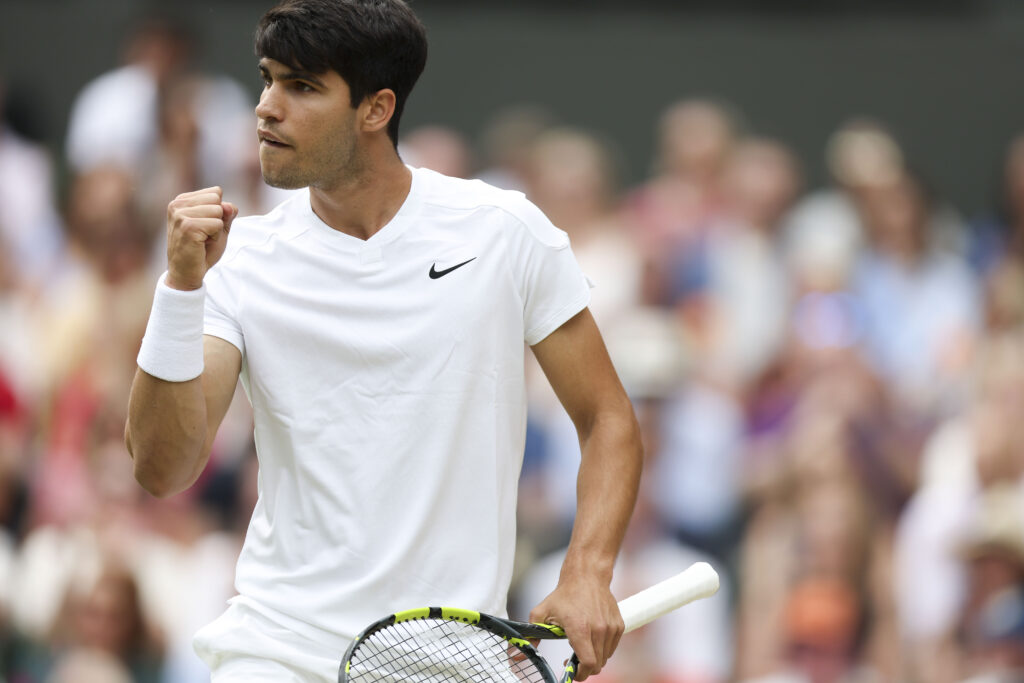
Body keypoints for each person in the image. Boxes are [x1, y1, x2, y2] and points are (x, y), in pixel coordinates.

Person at [123, 1, 643, 681]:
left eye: (301, 86)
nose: (266, 108)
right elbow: (163, 468)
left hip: (453, 656)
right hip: (277, 652)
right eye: (268, 79)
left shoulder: (503, 232)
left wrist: (587, 571)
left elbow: (608, 419)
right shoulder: (236, 261)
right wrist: (181, 288)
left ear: (375, 109)